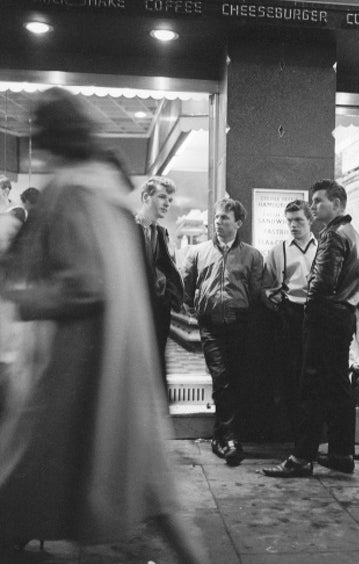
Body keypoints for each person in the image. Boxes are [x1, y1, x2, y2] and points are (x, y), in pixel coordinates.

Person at [0, 87, 206, 563]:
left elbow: (85, 284)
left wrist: (24, 297)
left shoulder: (71, 191)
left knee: (35, 470)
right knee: (153, 489)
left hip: (79, 368)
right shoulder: (105, 191)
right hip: (119, 364)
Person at [263, 179, 359, 477]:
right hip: (343, 317)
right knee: (339, 387)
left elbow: (321, 283)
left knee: (310, 388)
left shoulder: (333, 236)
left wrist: (310, 310)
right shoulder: (354, 235)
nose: (314, 205)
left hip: (324, 319)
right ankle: (341, 454)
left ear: (337, 203)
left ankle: (301, 458)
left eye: (319, 201)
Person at [183, 198, 263, 466]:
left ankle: (223, 436)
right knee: (221, 377)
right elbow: (188, 285)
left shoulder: (252, 255)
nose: (218, 222)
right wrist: (195, 309)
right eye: (216, 218)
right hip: (211, 325)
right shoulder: (198, 252)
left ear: (238, 223)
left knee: (236, 379)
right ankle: (229, 438)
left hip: (241, 324)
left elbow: (255, 291)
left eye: (225, 218)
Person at [262, 199, 317, 436]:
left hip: (315, 314)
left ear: (310, 220)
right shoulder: (278, 250)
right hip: (289, 315)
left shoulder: (322, 247)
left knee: (313, 373)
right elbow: (266, 285)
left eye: (299, 220)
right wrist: (273, 301)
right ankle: (293, 430)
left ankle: (312, 431)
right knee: (290, 373)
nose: (294, 225)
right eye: (290, 221)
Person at [136, 176, 184, 389]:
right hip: (134, 311)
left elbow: (166, 267)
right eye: (162, 197)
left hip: (157, 312)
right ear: (146, 197)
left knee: (155, 367)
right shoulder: (128, 229)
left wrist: (169, 296)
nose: (167, 203)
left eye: (170, 199)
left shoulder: (162, 233)